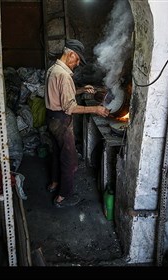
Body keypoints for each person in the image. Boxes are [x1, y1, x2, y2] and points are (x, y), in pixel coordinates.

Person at [45, 39, 110, 208]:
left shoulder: (54, 68)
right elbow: (70, 107)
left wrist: (81, 90)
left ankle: (54, 183)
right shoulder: (64, 75)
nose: (78, 63)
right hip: (61, 121)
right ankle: (63, 197)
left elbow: (61, 93)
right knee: (70, 160)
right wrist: (95, 109)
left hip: (51, 118)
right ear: (71, 54)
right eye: (78, 59)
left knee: (57, 152)